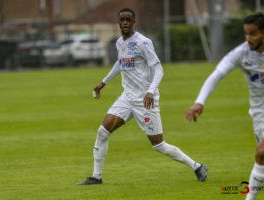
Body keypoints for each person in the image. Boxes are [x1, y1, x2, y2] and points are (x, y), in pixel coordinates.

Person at [77, 8, 208, 185]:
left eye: (128, 20)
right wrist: (103, 82)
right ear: (118, 22)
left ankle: (197, 166)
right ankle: (96, 177)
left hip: (145, 101)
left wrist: (150, 91)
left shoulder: (143, 43)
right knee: (103, 131)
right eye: (122, 19)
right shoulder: (119, 43)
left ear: (133, 22)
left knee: (159, 145)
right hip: (127, 98)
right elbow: (120, 63)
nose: (125, 23)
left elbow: (158, 69)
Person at [185, 12, 264, 200]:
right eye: (246, 33)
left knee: (261, 153)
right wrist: (199, 102)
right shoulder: (241, 53)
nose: (248, 38)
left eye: (253, 34)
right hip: (260, 117)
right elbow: (216, 75)